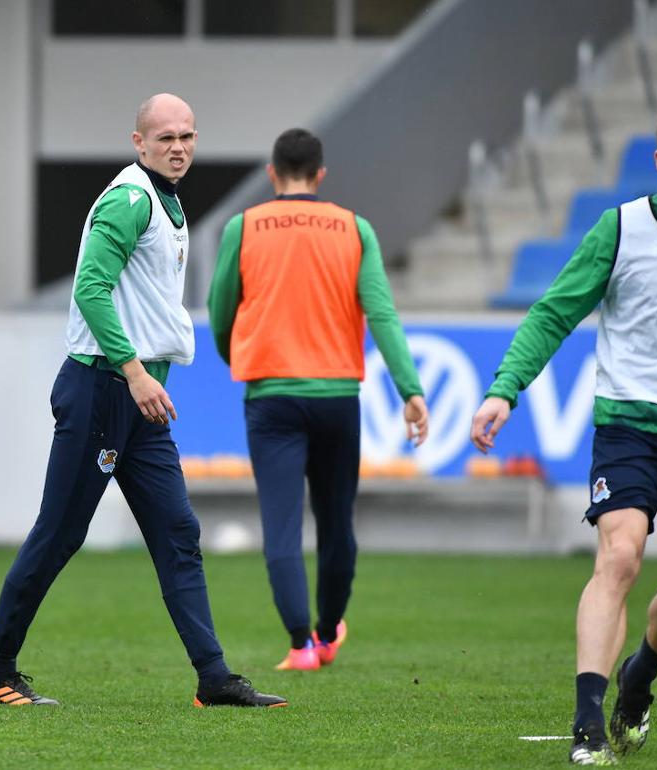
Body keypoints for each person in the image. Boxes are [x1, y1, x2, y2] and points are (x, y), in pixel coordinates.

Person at [0, 93, 286, 709]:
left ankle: (213, 677)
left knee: (177, 532)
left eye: (188, 135)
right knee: (59, 534)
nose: (179, 146)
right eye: (165, 137)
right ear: (138, 142)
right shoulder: (130, 198)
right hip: (105, 389)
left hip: (138, 398)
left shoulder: (165, 199)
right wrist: (135, 372)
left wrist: (141, 380)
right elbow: (90, 288)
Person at [470, 101, 657, 766]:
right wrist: (504, 389)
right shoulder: (621, 229)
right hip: (631, 424)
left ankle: (636, 681)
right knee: (620, 556)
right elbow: (554, 314)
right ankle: (587, 722)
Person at [207, 128, 428, 672]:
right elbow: (382, 314)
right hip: (336, 395)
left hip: (272, 395)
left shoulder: (244, 226)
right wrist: (410, 389)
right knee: (336, 523)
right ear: (321, 174)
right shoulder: (354, 228)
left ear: (272, 173)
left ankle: (299, 643)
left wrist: (236, 356)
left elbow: (219, 309)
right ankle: (329, 633)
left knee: (280, 524)